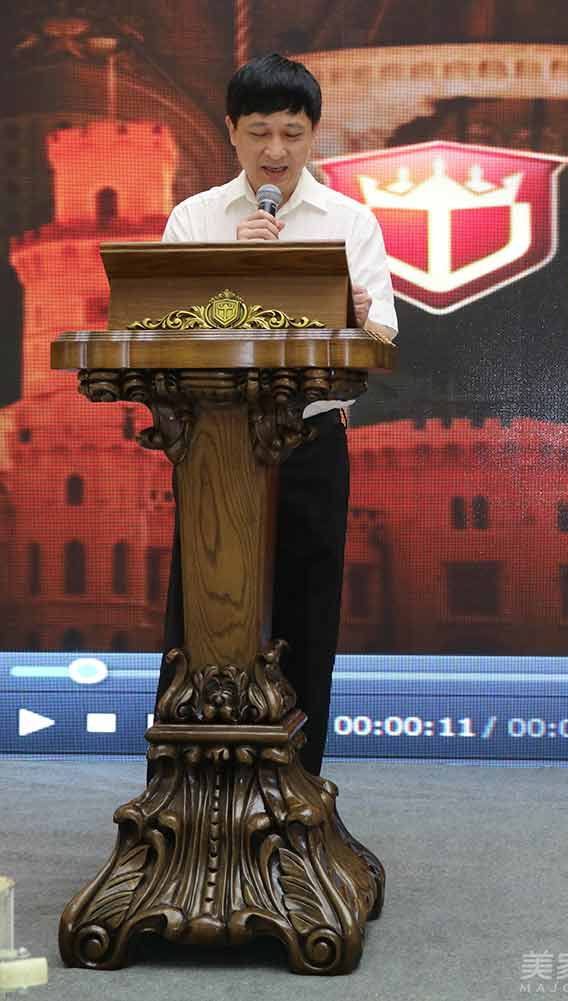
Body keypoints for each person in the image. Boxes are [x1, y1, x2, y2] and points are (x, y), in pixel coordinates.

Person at [153, 52, 398, 776]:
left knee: (307, 610)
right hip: (214, 443)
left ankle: (297, 784)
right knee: (202, 610)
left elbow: (382, 339)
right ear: (231, 131)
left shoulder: (349, 221)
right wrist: (228, 271)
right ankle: (186, 782)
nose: (275, 152)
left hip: (309, 438)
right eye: (259, 132)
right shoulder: (195, 218)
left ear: (313, 134)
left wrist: (353, 318)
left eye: (292, 133)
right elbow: (156, 331)